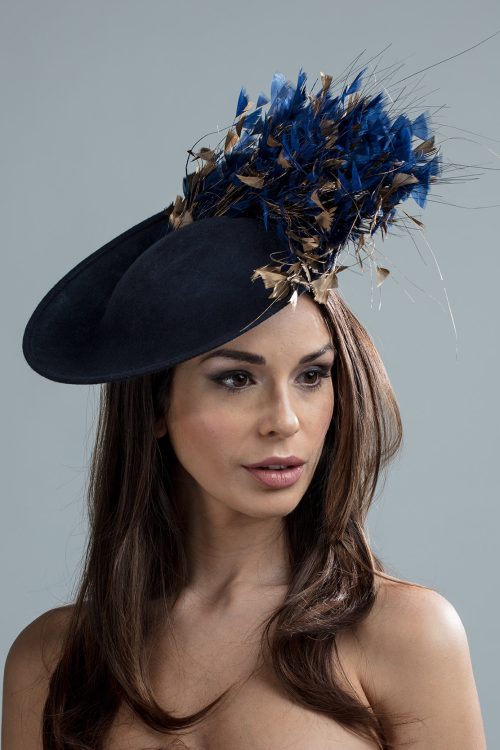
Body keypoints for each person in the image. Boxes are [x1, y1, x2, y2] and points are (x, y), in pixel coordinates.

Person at [2, 64, 486, 749]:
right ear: (156, 407)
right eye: (236, 379)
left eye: (312, 376)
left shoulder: (406, 638)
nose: (285, 420)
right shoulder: (53, 662)